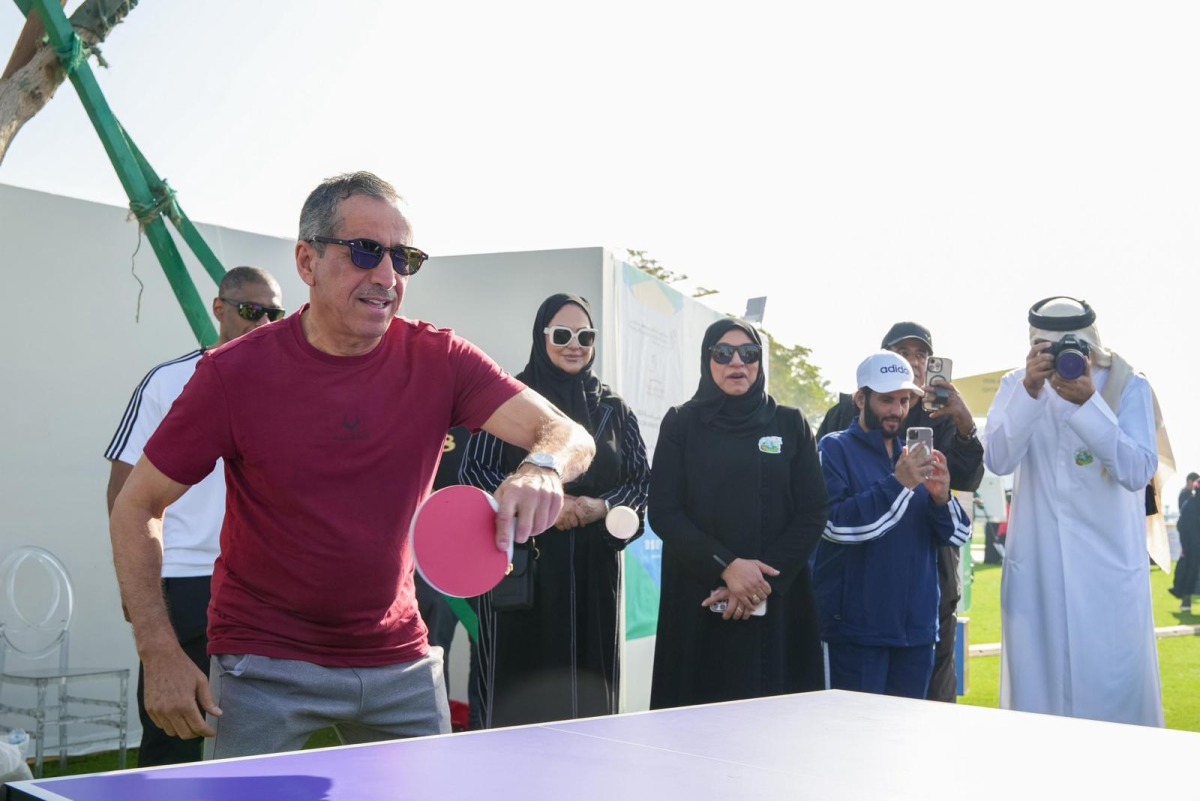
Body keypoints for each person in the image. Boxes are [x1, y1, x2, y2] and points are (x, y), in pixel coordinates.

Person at [108, 171, 595, 758]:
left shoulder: (440, 359)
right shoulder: (232, 374)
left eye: (405, 257)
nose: (387, 276)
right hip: (265, 665)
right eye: (365, 251)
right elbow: (136, 505)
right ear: (306, 261)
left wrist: (541, 465)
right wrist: (159, 650)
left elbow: (568, 434)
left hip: (399, 663)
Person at [104, 265, 283, 766]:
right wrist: (135, 590)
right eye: (251, 310)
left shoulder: (297, 385)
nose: (263, 322)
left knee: (254, 741)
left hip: (264, 589)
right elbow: (124, 494)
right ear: (219, 309)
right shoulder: (168, 381)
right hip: (186, 582)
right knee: (174, 734)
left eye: (274, 313)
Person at [461, 293, 650, 727]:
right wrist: (541, 502)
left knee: (592, 692)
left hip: (593, 569)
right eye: (562, 334)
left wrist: (598, 507)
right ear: (540, 336)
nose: (575, 344)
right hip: (523, 571)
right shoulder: (511, 400)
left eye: (585, 336)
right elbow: (475, 471)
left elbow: (641, 482)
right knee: (515, 695)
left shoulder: (613, 409)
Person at [984, 296, 1163, 726]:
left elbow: (1138, 470)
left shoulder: (1127, 385)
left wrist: (1090, 404)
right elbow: (998, 460)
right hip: (1039, 575)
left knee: (1115, 703)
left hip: (1108, 576)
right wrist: (1029, 392)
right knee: (1040, 709)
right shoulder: (1016, 384)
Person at [648, 318, 829, 710]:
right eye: (723, 353)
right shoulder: (682, 423)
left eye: (748, 354)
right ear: (706, 360)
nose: (737, 363)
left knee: (776, 729)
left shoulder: (790, 423)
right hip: (699, 598)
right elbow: (663, 510)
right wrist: (727, 566)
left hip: (776, 600)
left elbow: (813, 511)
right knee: (697, 727)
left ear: (759, 363)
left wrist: (758, 581)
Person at [816, 321, 983, 703]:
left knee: (910, 748)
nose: (897, 410)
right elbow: (836, 526)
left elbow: (959, 534)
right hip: (857, 631)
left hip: (918, 631)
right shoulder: (835, 447)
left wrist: (942, 499)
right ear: (861, 399)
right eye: (887, 400)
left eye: (904, 401)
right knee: (853, 743)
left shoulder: (920, 449)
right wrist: (900, 484)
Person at [1169, 472, 1200, 612]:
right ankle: (1186, 601)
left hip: (1191, 545)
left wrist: (1184, 545)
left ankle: (1186, 602)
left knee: (1190, 572)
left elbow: (1181, 525)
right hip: (1192, 544)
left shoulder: (1189, 504)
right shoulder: (1188, 501)